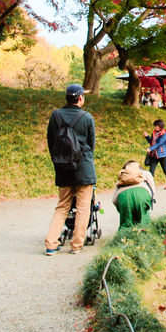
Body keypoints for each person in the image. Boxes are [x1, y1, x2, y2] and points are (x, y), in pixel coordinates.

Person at [44, 84, 96, 255]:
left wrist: (59, 161)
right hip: (83, 167)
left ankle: (51, 243)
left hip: (63, 166)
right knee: (83, 207)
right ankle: (76, 245)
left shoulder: (55, 116)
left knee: (62, 206)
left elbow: (51, 141)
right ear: (81, 98)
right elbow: (91, 144)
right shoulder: (87, 117)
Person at [112, 160, 155, 228]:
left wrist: (122, 209)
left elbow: (114, 199)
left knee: (126, 225)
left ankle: (123, 237)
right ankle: (145, 235)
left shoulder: (123, 177)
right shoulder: (146, 173)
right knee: (144, 223)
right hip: (142, 194)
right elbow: (152, 192)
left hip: (123, 197)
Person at [144, 119, 166, 190]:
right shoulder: (154, 133)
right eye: (155, 126)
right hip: (154, 155)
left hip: (162, 155)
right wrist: (147, 137)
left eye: (156, 126)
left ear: (161, 126)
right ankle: (149, 186)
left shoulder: (164, 134)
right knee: (151, 170)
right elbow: (152, 142)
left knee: (165, 169)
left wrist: (150, 148)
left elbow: (159, 144)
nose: (155, 127)